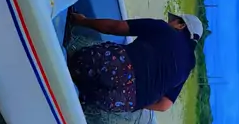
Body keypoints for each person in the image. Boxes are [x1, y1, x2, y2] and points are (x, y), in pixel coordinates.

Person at [67, 10, 203, 113]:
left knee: (74, 63)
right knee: (86, 97)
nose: (169, 22)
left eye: (173, 20)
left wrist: (82, 21)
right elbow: (164, 106)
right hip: (127, 99)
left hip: (116, 65)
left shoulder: (164, 28)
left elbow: (114, 27)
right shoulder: (188, 66)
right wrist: (134, 98)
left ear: (181, 25)